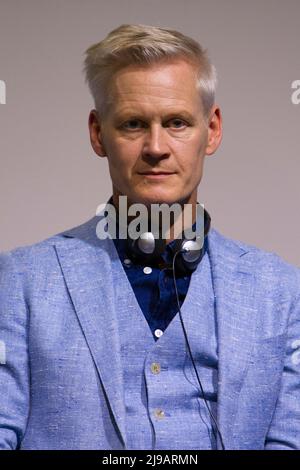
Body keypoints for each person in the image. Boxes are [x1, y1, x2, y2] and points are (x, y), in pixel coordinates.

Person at [0, 24, 299, 451]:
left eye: (176, 122)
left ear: (211, 130)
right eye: (133, 124)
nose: (156, 147)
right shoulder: (21, 282)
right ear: (98, 133)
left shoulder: (283, 293)